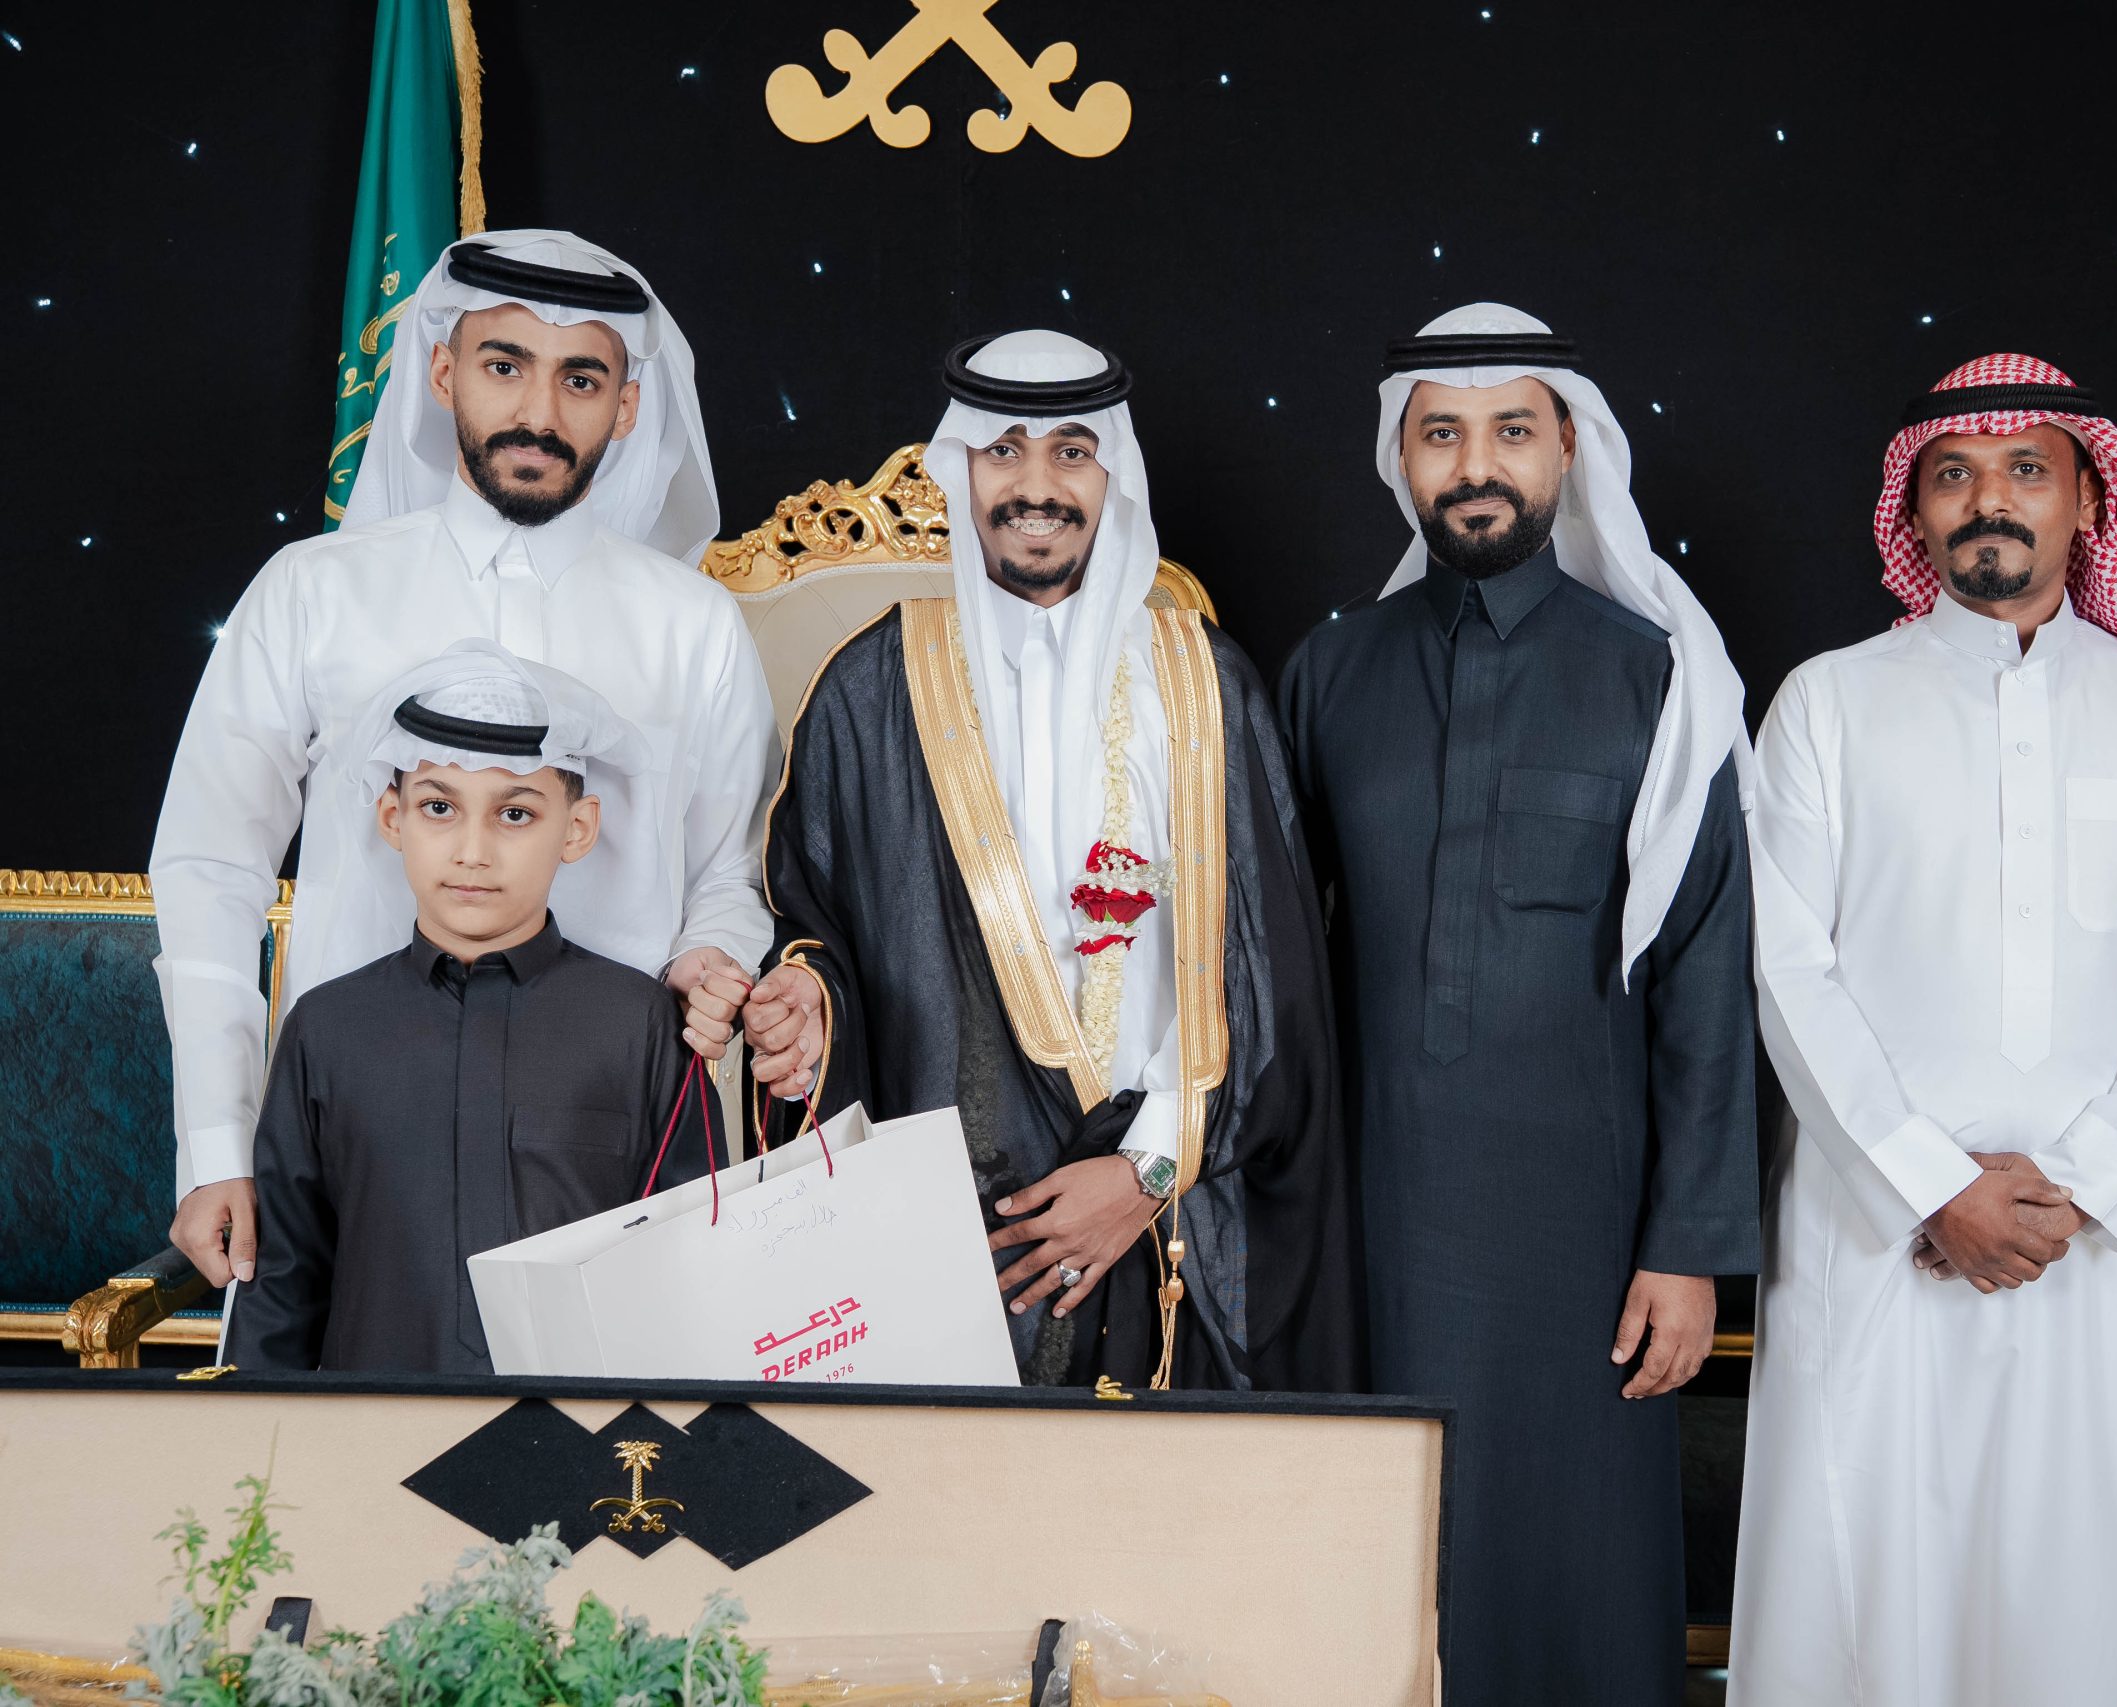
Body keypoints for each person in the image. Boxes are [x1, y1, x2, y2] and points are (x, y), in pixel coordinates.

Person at [1727, 355, 2117, 1707]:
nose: (1991, 500)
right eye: (1955, 475)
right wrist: (1935, 1184)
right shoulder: (1826, 701)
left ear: (2088, 497)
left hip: (2102, 1238)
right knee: (1865, 1590)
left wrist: (2078, 1181)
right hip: (1879, 1227)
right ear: (1911, 509)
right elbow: (1785, 968)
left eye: (2027, 470)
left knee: (2083, 1597)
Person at [1278, 304, 1760, 1706]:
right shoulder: (1328, 671)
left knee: (1574, 1581)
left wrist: (1688, 1247)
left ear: (1569, 451)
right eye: (1442, 434)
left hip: (1588, 1241)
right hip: (1370, 1223)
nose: (1475, 465)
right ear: (1401, 459)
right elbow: (1270, 964)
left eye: (1509, 432)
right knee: (1381, 1562)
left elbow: (1709, 975)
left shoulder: (1658, 678)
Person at [151, 230, 773, 1292]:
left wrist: (708, 956)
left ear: (628, 406)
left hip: (607, 1139)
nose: (539, 411)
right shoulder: (312, 590)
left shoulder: (694, 626)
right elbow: (212, 865)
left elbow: (734, 868)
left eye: (581, 379)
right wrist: (218, 1144)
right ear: (442, 373)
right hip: (348, 1129)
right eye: (504, 365)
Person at [747, 331, 1355, 1392]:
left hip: (1169, 1214)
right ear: (960, 470)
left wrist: (1146, 1171)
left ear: (1113, 474)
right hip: (950, 1229)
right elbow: (817, 930)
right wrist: (803, 998)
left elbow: (1274, 982)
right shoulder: (869, 691)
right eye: (1004, 452)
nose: (1036, 487)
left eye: (1071, 452)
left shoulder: (1206, 686)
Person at [229, 643, 714, 1373]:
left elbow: (693, 1264)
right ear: (392, 818)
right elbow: (283, 1284)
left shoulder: (640, 1023)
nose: (473, 851)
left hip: (585, 1431)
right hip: (366, 1427)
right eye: (439, 808)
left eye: (515, 813)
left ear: (578, 828)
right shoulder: (326, 1030)